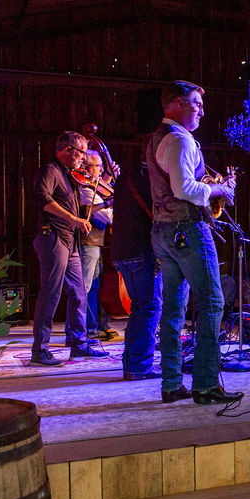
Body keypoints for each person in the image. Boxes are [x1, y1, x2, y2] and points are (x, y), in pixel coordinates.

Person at [146, 80, 241, 405]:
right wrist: (219, 190)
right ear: (174, 104)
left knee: (173, 308)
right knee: (213, 302)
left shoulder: (159, 137)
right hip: (187, 229)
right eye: (195, 103)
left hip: (163, 230)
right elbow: (184, 188)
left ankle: (172, 383)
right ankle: (205, 384)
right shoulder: (179, 140)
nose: (201, 110)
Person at [29, 131, 108, 366]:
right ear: (68, 150)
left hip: (69, 240)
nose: (83, 159)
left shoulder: (69, 175)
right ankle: (40, 350)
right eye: (81, 153)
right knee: (51, 292)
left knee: (79, 292)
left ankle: (79, 345)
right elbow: (43, 199)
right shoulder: (50, 171)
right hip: (52, 237)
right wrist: (73, 219)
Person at [111, 158, 162, 380]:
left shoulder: (125, 179)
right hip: (141, 250)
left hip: (120, 252)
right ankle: (139, 366)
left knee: (139, 308)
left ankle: (131, 363)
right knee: (150, 307)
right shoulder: (150, 183)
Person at [73, 150, 116, 344]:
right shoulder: (86, 188)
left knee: (93, 287)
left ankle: (91, 327)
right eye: (97, 166)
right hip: (87, 243)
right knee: (85, 287)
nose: (101, 169)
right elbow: (107, 216)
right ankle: (81, 331)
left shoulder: (96, 186)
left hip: (96, 243)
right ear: (86, 168)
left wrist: (106, 179)